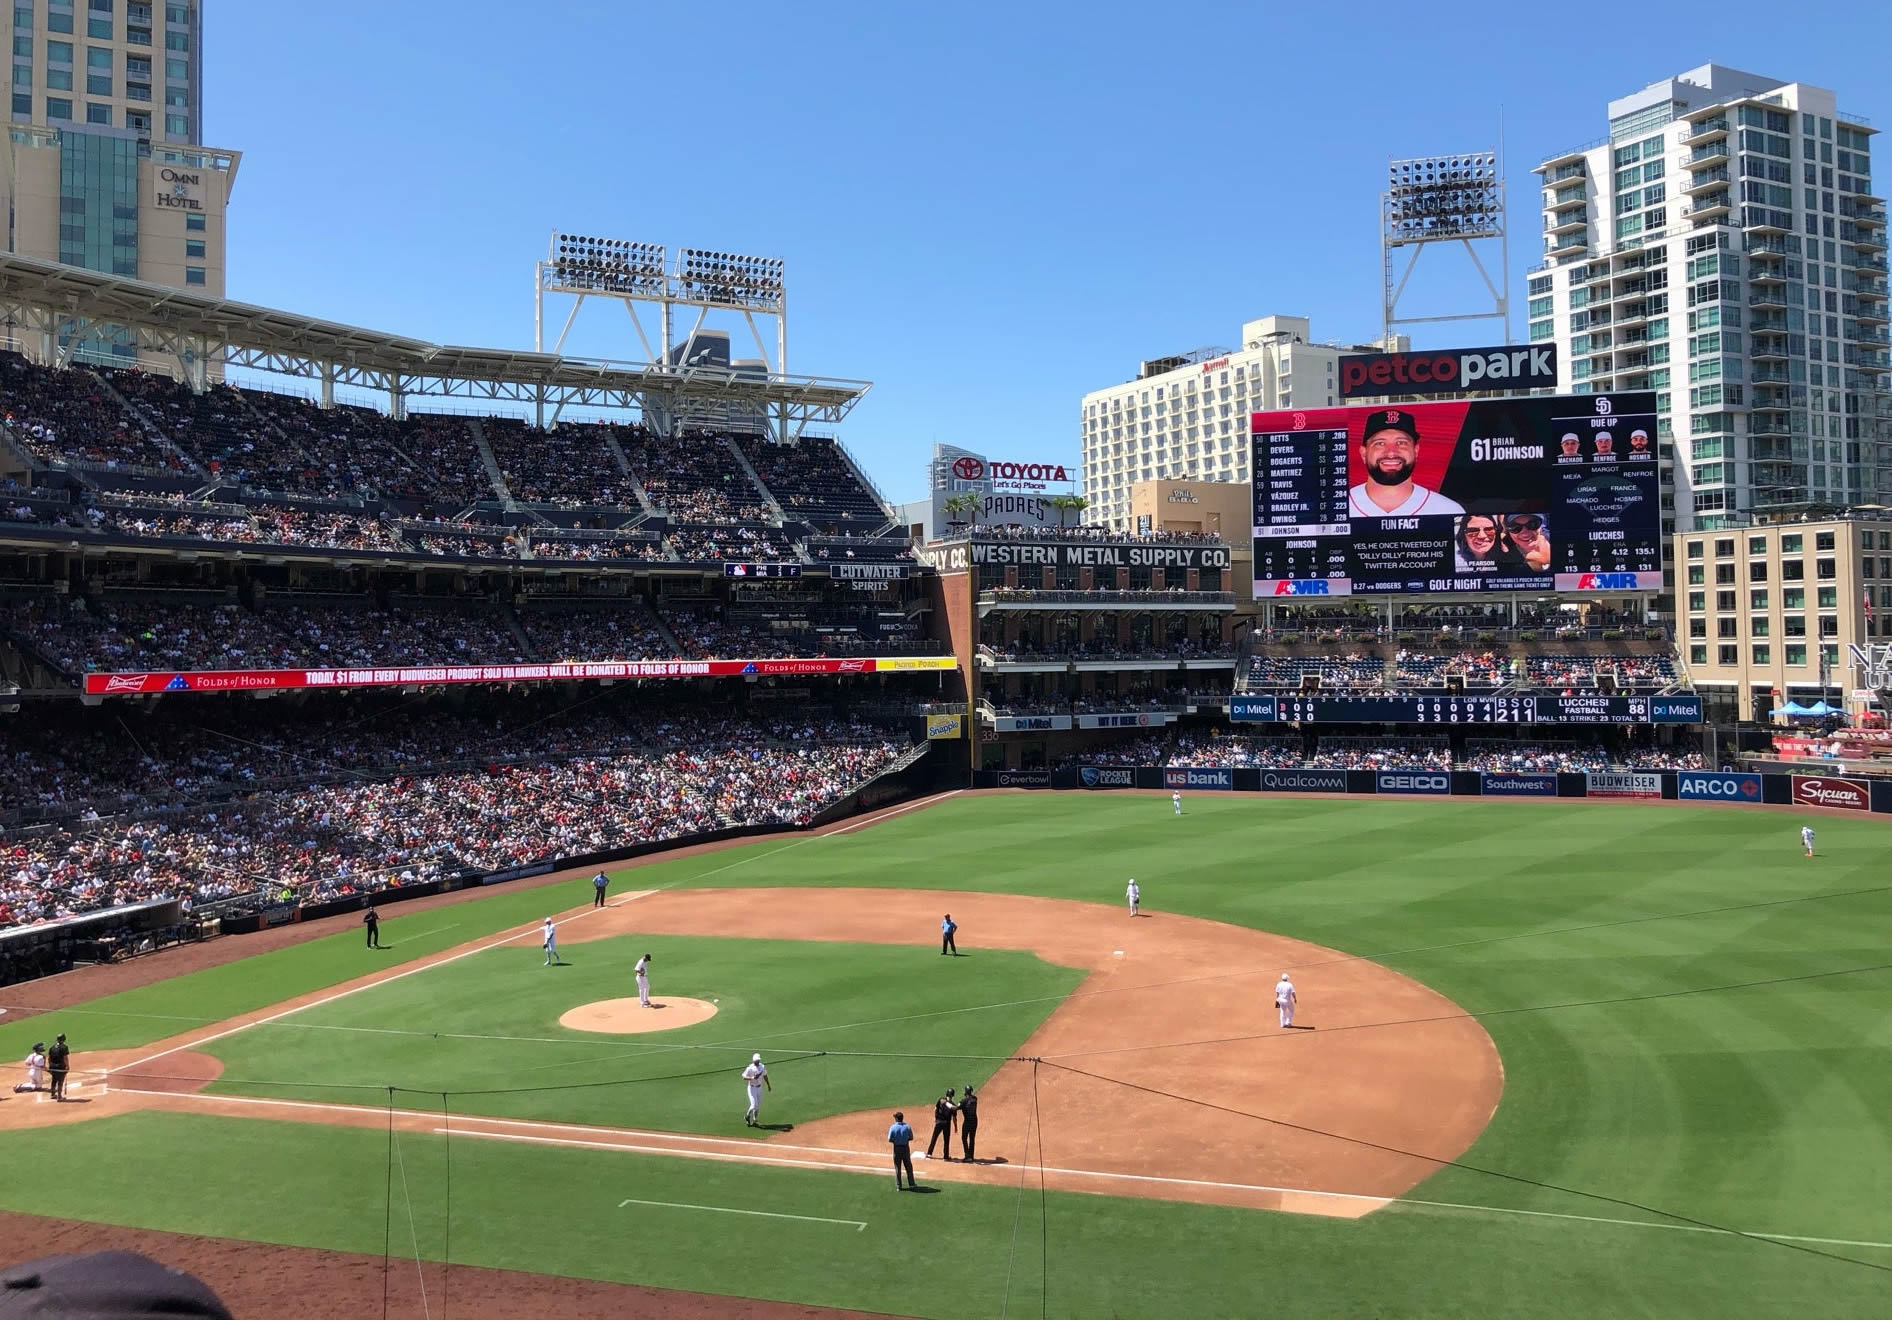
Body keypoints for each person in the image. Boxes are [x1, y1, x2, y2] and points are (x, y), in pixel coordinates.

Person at [1348, 409, 1465, 517]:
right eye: (1380, 443)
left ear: (1416, 451)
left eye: (1401, 443)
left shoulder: (1448, 510)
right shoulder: (1335, 508)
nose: (1391, 452)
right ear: (1363, 453)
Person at [1453, 514, 1524, 573]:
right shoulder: (1455, 562)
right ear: (1463, 535)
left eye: (1489, 530)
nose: (1482, 536)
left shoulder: (1510, 560)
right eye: (1473, 530)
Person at [926, 1087, 958, 1160]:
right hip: (946, 1124)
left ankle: (929, 1153)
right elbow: (954, 1118)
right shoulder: (952, 1105)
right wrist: (955, 1127)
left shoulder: (941, 1100)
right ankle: (946, 1156)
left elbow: (936, 1109)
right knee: (946, 1140)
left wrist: (936, 1118)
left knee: (934, 1137)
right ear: (952, 1095)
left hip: (939, 1122)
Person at [888, 1111, 917, 1190]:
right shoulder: (907, 1126)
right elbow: (911, 1137)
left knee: (898, 1168)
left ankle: (899, 1186)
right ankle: (912, 1184)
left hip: (897, 1149)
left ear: (897, 1118)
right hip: (905, 1148)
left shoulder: (893, 1127)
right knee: (908, 1166)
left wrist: (896, 1141)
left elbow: (890, 1139)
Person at [742, 1052, 771, 1126]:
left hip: (759, 1087)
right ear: (753, 1060)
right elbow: (744, 1077)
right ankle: (747, 1116)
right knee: (753, 1105)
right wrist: (752, 1078)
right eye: (756, 1060)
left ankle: (755, 1120)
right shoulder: (750, 1068)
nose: (758, 1061)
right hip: (752, 1088)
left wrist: (768, 1085)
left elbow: (765, 1075)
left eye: (758, 1060)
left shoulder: (762, 1066)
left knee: (758, 1106)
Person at [958, 1083, 980, 1162]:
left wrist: (947, 1104)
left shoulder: (964, 1101)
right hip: (974, 1121)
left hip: (967, 1122)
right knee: (972, 1139)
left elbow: (956, 1108)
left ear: (966, 1092)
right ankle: (971, 1156)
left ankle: (967, 1155)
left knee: (964, 1138)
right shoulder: (975, 1099)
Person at [47, 1033, 69, 1100]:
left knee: (54, 1080)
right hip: (60, 1067)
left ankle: (52, 1094)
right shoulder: (64, 1047)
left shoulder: (52, 1047)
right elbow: (65, 1058)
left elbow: (49, 1058)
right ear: (63, 1039)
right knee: (60, 1081)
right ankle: (59, 1097)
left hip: (53, 1067)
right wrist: (67, 1066)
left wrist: (50, 1065)